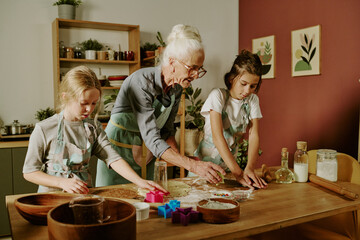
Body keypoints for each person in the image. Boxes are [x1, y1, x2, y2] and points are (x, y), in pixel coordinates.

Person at [96, 24, 225, 187]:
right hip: (117, 158)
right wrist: (191, 165)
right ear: (172, 62)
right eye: (192, 68)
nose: (196, 75)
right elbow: (152, 138)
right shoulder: (141, 82)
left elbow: (166, 131)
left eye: (199, 69)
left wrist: (184, 160)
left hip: (145, 157)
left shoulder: (177, 88)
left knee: (145, 204)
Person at [23, 66, 166, 194]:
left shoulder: (93, 128)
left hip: (83, 197)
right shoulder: (44, 129)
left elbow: (113, 158)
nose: (89, 109)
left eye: (94, 103)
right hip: (50, 200)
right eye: (84, 103)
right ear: (65, 97)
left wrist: (140, 181)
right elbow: (29, 172)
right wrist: (62, 182)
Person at [194, 50, 267, 189]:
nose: (247, 91)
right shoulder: (218, 96)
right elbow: (217, 136)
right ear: (231, 78)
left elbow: (254, 135)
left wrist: (250, 168)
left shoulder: (252, 100)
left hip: (228, 171)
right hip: (205, 169)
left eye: (253, 86)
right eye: (243, 84)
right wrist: (238, 172)